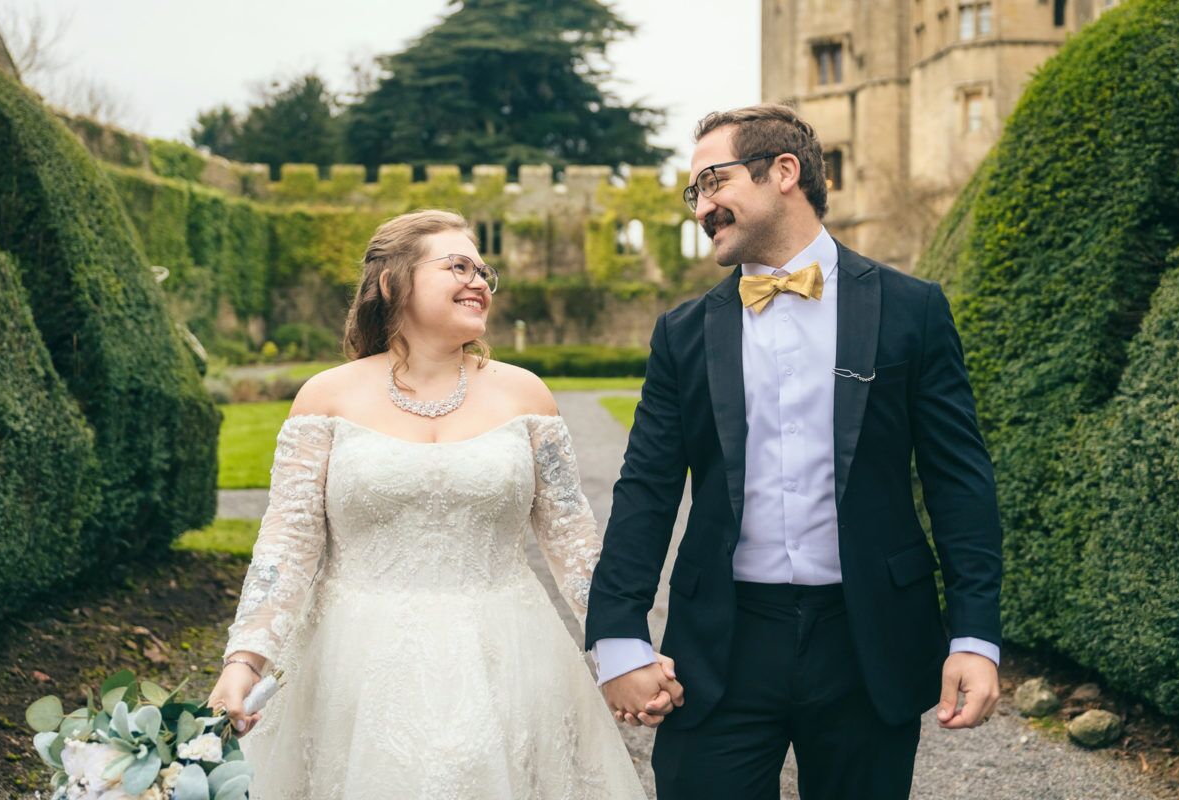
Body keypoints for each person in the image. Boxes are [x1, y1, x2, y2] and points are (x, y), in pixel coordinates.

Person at [585, 104, 1003, 800]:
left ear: (784, 172)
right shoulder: (682, 334)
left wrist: (975, 637)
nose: (702, 207)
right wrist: (619, 634)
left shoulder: (912, 310)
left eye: (712, 182)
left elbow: (960, 483)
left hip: (868, 639)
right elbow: (646, 490)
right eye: (693, 194)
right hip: (721, 642)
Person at [207, 209, 657, 798]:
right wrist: (244, 664)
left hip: (511, 659)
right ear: (392, 282)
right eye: (457, 265)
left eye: (483, 270)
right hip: (358, 668)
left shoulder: (526, 395)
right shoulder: (326, 398)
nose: (478, 280)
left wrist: (622, 653)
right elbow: (286, 547)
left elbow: (573, 542)